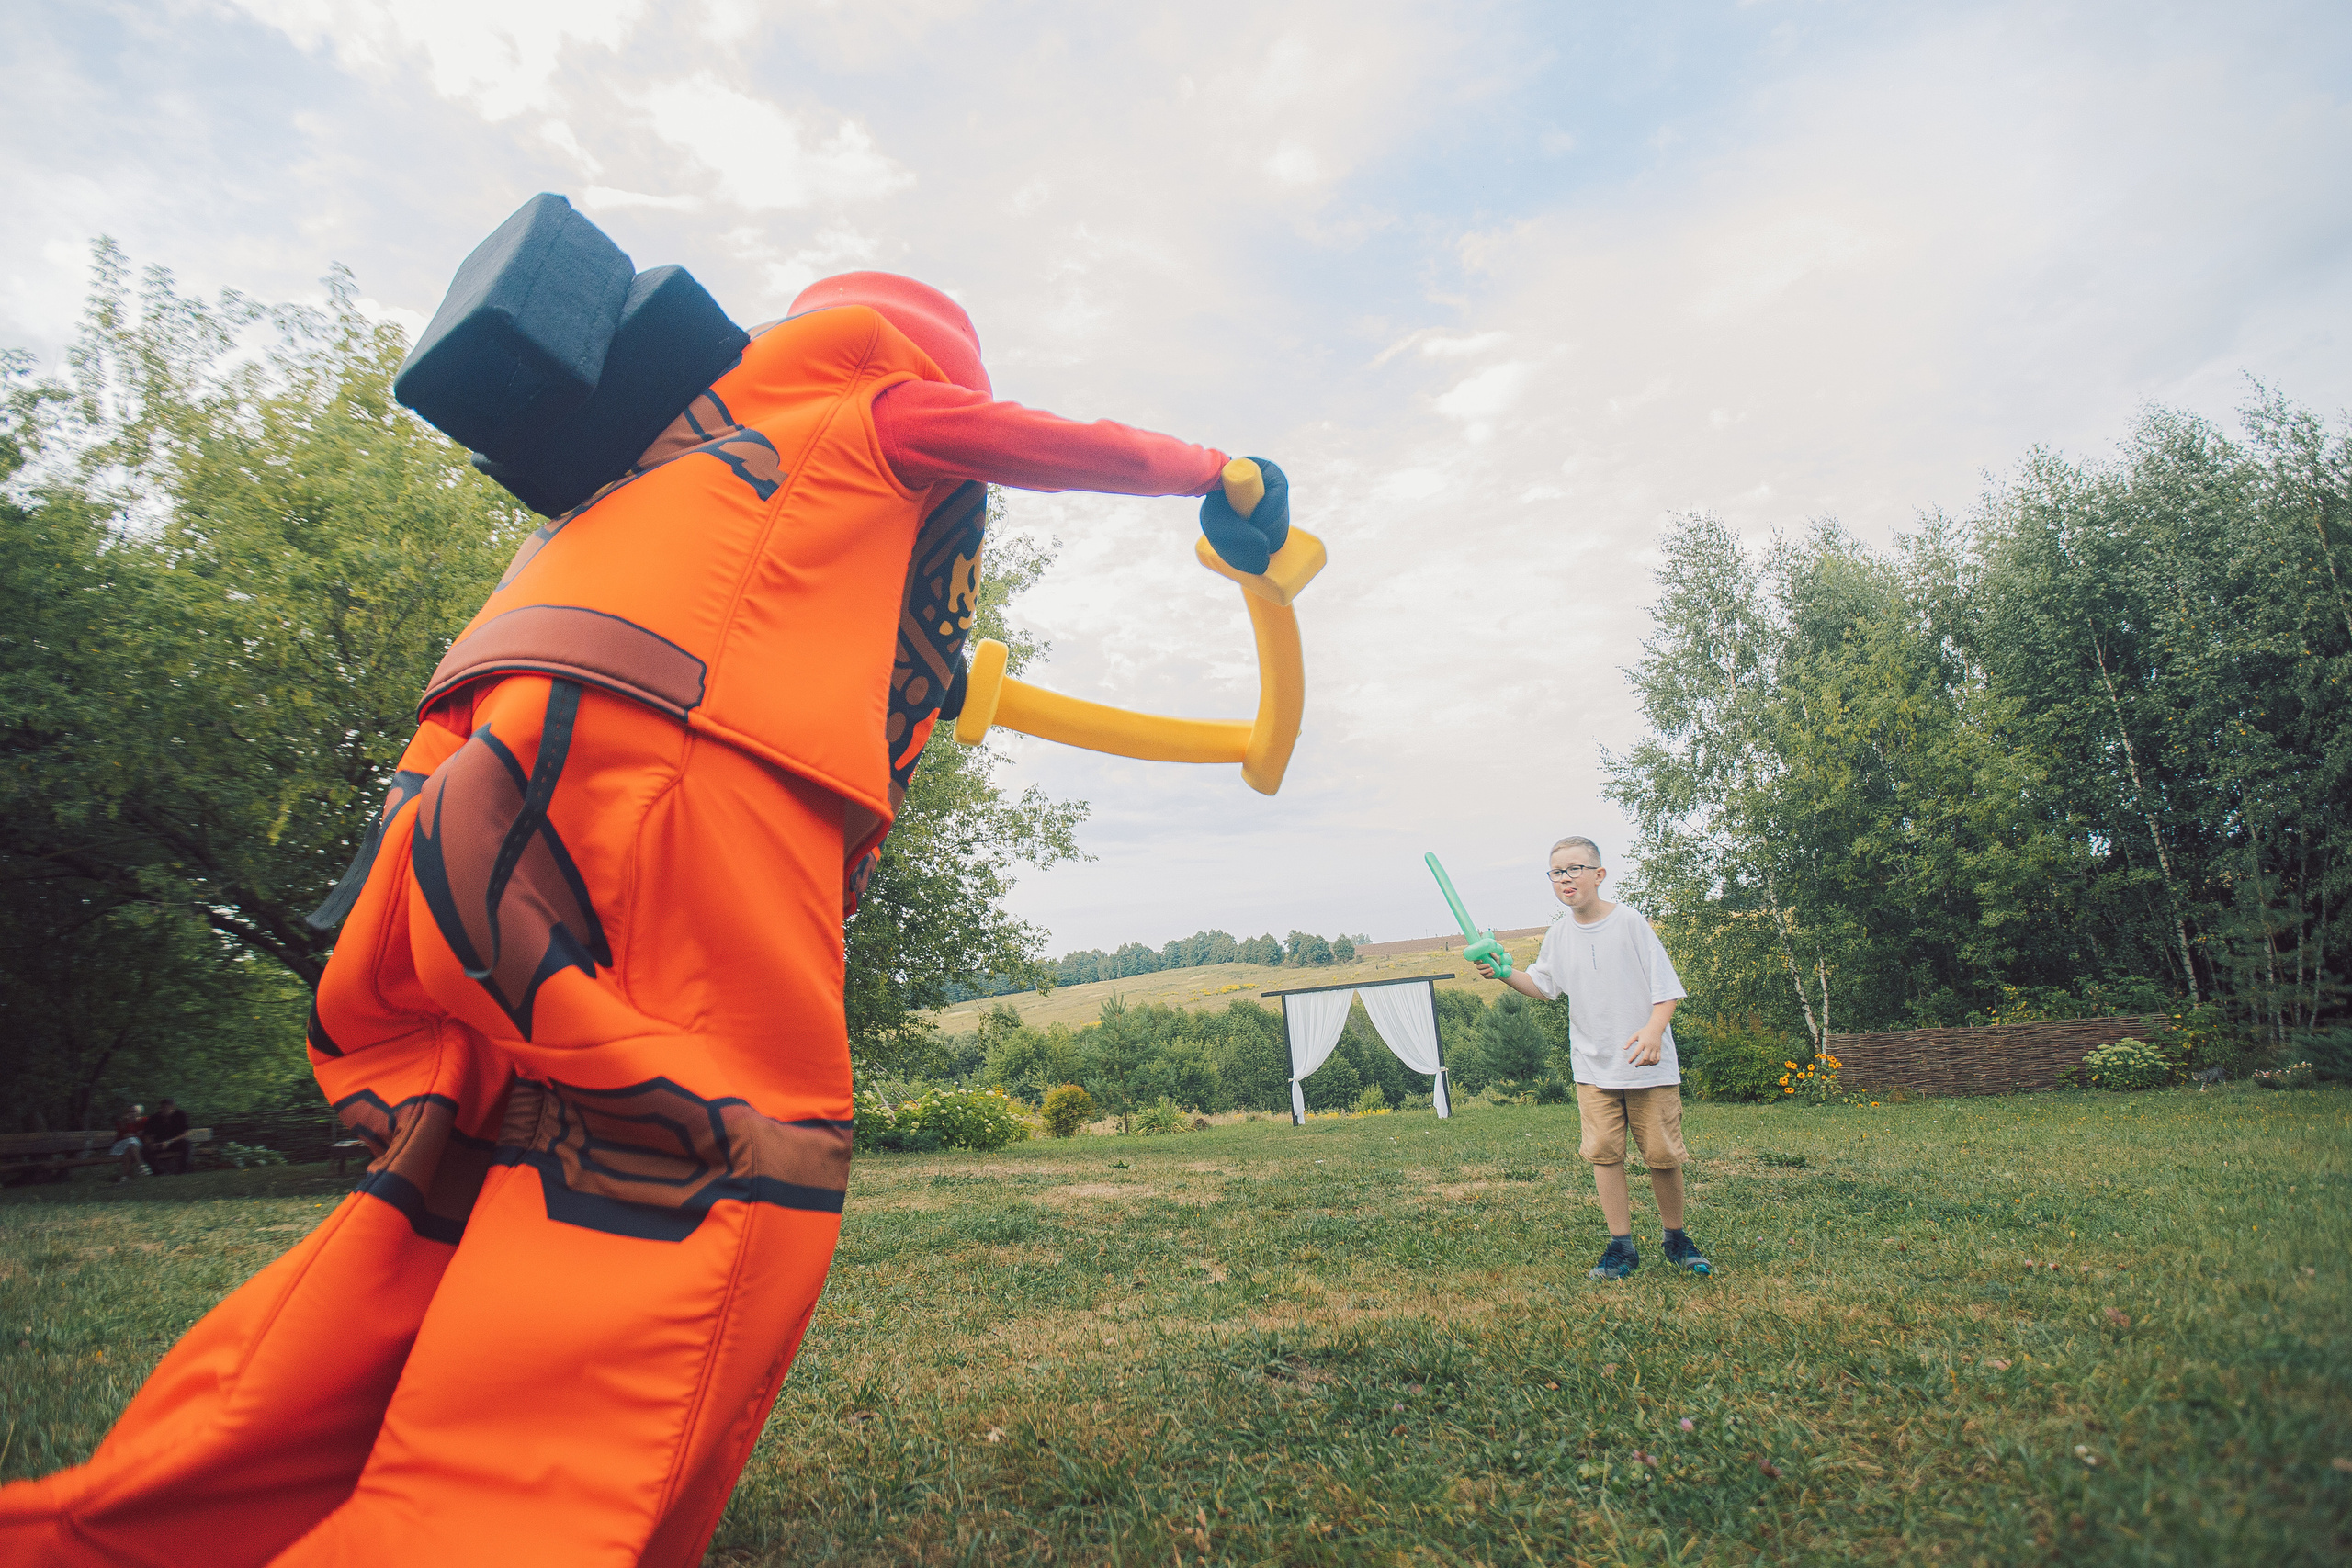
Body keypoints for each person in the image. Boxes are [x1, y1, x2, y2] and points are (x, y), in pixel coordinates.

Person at [0, 260, 1289, 1567]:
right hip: (675, 772)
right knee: (704, 1149)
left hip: (473, 781)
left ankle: (169, 1512)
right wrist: (1215, 475)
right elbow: (1042, 446)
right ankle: (495, 1528)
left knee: (467, 1150)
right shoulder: (873, 402)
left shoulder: (662, 459)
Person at [1476, 836, 1712, 1280]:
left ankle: (1676, 1237)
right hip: (1593, 1068)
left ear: (1599, 875)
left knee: (1662, 1155)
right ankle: (1621, 1247)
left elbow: (1667, 990)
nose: (1566, 879)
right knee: (1604, 1154)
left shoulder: (1629, 923)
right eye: (1557, 872)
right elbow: (1544, 987)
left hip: (1648, 1064)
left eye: (1575, 869)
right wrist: (1504, 974)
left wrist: (1654, 1030)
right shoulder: (1559, 934)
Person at [141, 1099, 192, 1176]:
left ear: (172, 1108)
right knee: (145, 1150)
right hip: (159, 1143)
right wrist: (151, 1144)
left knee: (187, 1144)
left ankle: (183, 1170)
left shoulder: (181, 1115)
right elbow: (147, 1134)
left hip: (174, 1142)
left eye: (165, 1107)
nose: (162, 1110)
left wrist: (169, 1141)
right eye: (161, 1107)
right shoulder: (154, 1118)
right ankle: (159, 1171)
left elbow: (184, 1133)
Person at [107, 1104, 148, 1183]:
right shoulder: (122, 1123)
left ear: (138, 1112)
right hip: (120, 1146)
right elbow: (125, 1135)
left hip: (134, 1147)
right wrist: (129, 1124)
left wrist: (141, 1133)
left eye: (133, 1111)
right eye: (129, 1112)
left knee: (129, 1149)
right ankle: (141, 1166)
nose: (132, 1113)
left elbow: (148, 1129)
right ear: (126, 1113)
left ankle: (125, 1176)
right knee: (131, 1141)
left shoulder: (143, 1120)